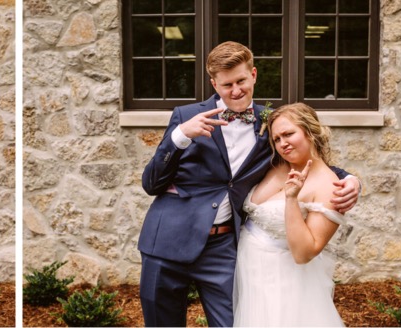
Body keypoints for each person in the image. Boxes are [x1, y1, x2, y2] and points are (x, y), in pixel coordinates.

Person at [137, 41, 360, 327]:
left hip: (224, 248)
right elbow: (151, 183)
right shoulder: (185, 116)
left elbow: (306, 155)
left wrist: (349, 179)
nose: (236, 90)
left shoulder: (269, 123)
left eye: (241, 81)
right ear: (214, 84)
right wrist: (180, 137)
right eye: (226, 85)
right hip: (167, 242)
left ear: (253, 75)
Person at [233, 102, 345, 326]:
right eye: (277, 139)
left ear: (310, 132)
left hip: (283, 280)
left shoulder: (330, 187)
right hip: (250, 271)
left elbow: (304, 254)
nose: (282, 143)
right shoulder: (276, 164)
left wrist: (292, 199)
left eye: (288, 134)